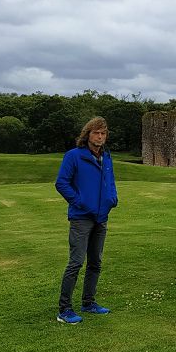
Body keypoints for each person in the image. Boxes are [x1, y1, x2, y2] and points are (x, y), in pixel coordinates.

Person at [54, 117, 119, 324]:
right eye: (96, 133)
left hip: (101, 217)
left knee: (95, 262)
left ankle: (88, 302)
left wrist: (112, 198)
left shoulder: (106, 157)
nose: (100, 137)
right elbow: (61, 183)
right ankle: (64, 310)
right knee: (76, 262)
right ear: (87, 135)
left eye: (103, 133)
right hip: (82, 218)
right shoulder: (74, 156)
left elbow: (110, 181)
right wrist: (79, 201)